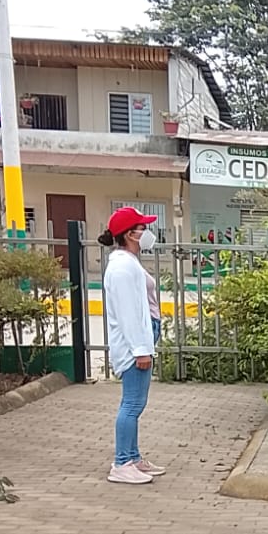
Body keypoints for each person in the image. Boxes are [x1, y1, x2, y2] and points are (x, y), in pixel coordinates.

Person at [100, 206, 164, 486]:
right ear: (130, 234)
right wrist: (140, 350)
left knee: (135, 403)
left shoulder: (128, 262)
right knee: (132, 404)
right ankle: (122, 463)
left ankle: (133, 457)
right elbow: (128, 312)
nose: (147, 232)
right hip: (134, 345)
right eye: (142, 227)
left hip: (142, 338)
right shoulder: (122, 268)